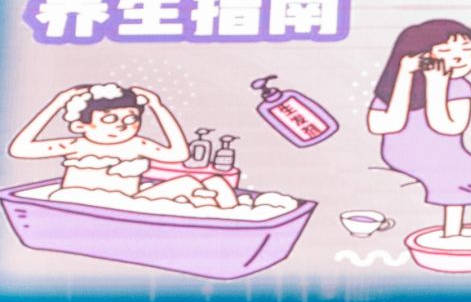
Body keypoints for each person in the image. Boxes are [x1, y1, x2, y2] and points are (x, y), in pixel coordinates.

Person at [9, 82, 281, 210]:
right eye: (110, 119)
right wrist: (56, 103)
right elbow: (19, 149)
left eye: (131, 119)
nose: (122, 125)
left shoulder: (137, 144)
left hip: (132, 203)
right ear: (82, 125)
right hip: (87, 205)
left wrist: (157, 107)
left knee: (210, 182)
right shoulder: (75, 145)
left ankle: (234, 219)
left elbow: (179, 153)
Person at [365, 19, 471, 240]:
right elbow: (385, 125)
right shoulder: (392, 87)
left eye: (468, 50)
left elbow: (450, 127)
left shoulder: (460, 86)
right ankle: (451, 236)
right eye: (446, 51)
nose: (460, 58)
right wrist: (405, 74)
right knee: (452, 180)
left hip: (450, 152)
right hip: (405, 153)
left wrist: (437, 85)